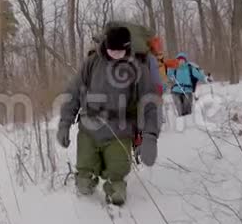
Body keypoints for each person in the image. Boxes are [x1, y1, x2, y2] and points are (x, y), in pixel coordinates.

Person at [56, 23, 160, 206]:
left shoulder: (138, 68)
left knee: (117, 192)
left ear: (127, 48)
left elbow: (150, 103)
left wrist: (150, 136)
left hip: (120, 131)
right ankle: (86, 184)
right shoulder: (92, 62)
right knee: (83, 185)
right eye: (111, 51)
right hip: (90, 128)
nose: (114, 55)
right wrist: (64, 123)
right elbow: (72, 92)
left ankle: (115, 185)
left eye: (119, 52)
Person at [167, 52, 208, 116]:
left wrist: (206, 78)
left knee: (187, 107)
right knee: (179, 107)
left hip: (187, 90)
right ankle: (180, 118)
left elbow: (199, 76)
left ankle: (188, 118)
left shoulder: (190, 68)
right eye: (179, 60)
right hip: (176, 91)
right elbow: (168, 74)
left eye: (182, 60)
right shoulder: (174, 68)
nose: (181, 61)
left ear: (185, 60)